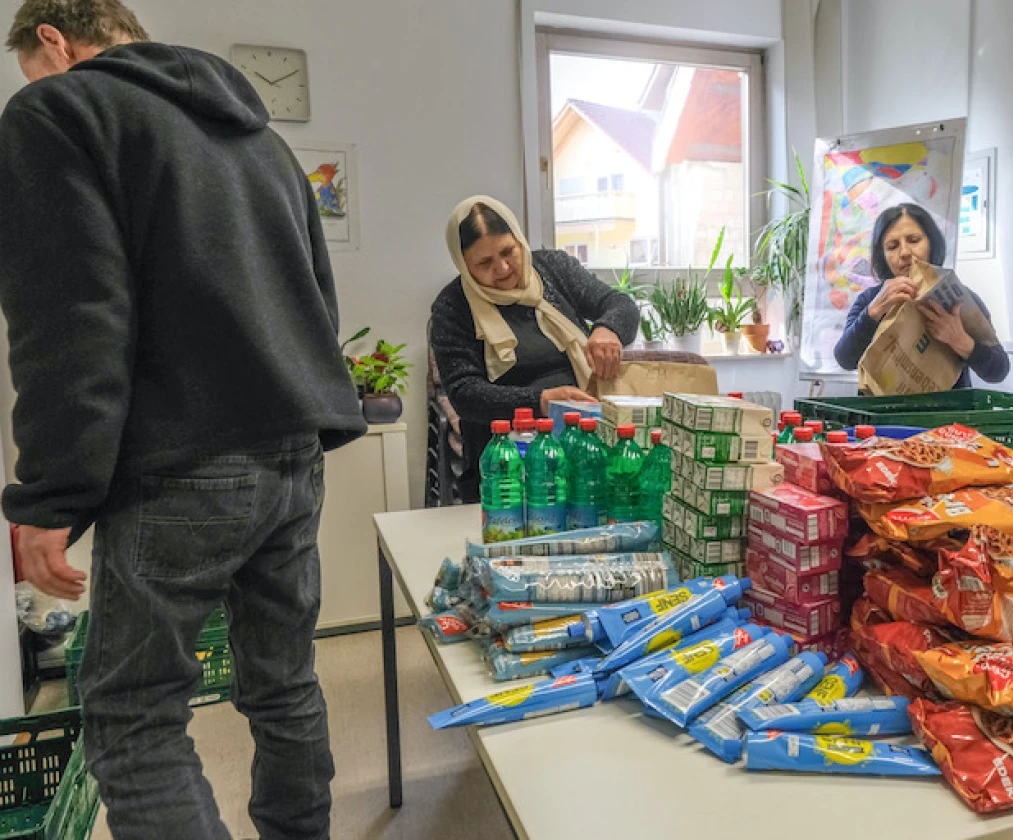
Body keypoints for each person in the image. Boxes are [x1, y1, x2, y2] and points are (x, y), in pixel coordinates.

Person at [0, 3, 366, 838]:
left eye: (31, 67)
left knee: (132, 717)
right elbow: (318, 301)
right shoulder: (264, 142)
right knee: (284, 684)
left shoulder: (60, 109)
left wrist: (48, 497)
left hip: (182, 462)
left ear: (54, 41)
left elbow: (69, 317)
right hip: (291, 453)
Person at [432, 196, 638, 501]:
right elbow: (465, 393)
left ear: (519, 239)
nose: (502, 268)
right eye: (484, 263)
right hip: (506, 468)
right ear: (464, 264)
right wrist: (540, 402)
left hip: (584, 450)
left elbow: (620, 304)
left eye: (507, 252)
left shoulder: (554, 269)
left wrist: (608, 329)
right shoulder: (453, 306)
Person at [833, 203, 1009, 388]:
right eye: (892, 246)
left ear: (931, 244)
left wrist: (961, 341)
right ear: (882, 255)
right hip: (883, 414)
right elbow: (845, 359)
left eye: (914, 240)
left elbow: (999, 371)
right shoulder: (871, 299)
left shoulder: (959, 298)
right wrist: (874, 311)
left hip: (948, 414)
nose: (904, 252)